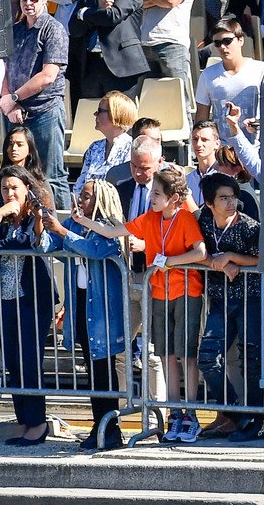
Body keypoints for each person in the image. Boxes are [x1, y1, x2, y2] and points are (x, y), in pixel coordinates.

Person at [70, 166, 207, 444]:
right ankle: (174, 413)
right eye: (153, 192)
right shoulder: (150, 218)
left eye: (157, 193)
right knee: (167, 355)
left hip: (186, 291)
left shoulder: (185, 219)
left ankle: (190, 413)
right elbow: (112, 231)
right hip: (158, 292)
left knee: (186, 356)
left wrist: (169, 261)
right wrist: (84, 222)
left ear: (173, 197)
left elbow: (200, 251)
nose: (152, 197)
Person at [45, 178, 132, 450]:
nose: (80, 200)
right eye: (80, 195)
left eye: (85, 196)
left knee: (104, 367)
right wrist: (44, 227)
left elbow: (94, 249)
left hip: (103, 306)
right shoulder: (75, 223)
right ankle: (100, 424)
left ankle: (110, 426)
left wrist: (62, 231)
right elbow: (55, 246)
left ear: (100, 200)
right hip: (82, 301)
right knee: (91, 366)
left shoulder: (108, 227)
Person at [192, 172, 264, 441]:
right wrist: (213, 260)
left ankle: (256, 420)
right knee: (208, 358)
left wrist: (233, 257)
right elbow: (194, 250)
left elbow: (262, 258)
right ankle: (235, 412)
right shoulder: (202, 221)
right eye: (224, 198)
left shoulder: (248, 226)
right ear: (210, 203)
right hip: (219, 300)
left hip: (250, 299)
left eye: (233, 197)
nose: (231, 202)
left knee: (251, 360)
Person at [0, 165, 58, 445]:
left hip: (32, 300)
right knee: (14, 363)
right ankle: (23, 419)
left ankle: (38, 423)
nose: (9, 193)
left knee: (29, 361)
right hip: (5, 299)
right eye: (5, 188)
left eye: (14, 187)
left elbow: (26, 242)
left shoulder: (36, 216)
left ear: (26, 188)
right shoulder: (2, 218)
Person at [1, 0, 70, 207]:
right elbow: (3, 68)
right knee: (16, 171)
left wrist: (13, 98)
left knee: (51, 174)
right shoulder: (16, 30)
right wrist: (9, 101)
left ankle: (61, 227)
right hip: (16, 111)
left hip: (45, 110)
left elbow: (48, 75)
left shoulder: (54, 30)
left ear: (46, 0)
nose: (28, 3)